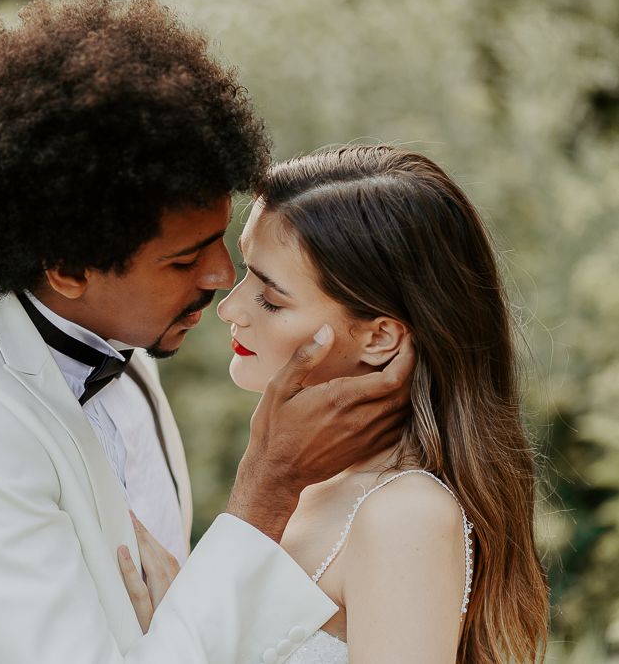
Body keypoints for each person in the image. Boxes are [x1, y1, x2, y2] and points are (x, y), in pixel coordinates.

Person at [0, 0, 412, 663]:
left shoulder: (126, 352)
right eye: (183, 258)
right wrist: (266, 486)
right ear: (69, 267)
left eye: (216, 241)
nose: (222, 276)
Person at [213, 145, 550, 663]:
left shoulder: (405, 514)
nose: (230, 307)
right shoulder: (311, 481)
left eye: (271, 298)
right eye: (245, 272)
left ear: (380, 338)